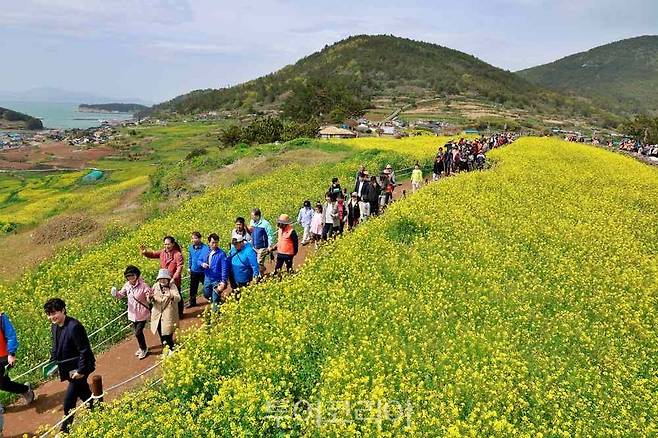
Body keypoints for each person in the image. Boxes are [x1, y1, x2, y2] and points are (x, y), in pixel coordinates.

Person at [44, 298, 96, 433]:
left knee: (69, 401)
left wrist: (81, 371)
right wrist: (52, 363)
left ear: (63, 310)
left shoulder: (74, 326)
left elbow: (84, 350)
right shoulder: (54, 326)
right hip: (68, 368)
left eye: (54, 313)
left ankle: (65, 430)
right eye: (49, 314)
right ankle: (98, 411)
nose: (51, 317)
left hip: (80, 368)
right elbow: (55, 347)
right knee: (84, 393)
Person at [111, 265, 151, 359]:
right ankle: (142, 347)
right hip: (132, 314)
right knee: (137, 333)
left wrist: (149, 297)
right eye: (128, 276)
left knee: (138, 332)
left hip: (142, 313)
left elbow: (148, 294)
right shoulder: (127, 285)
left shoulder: (143, 285)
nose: (130, 278)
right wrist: (115, 294)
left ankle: (144, 349)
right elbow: (121, 294)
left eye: (132, 275)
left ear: (136, 275)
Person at [141, 236, 184, 319]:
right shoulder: (162, 252)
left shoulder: (177, 254)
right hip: (163, 279)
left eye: (168, 244)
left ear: (173, 244)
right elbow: (153, 254)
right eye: (165, 244)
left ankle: (180, 313)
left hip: (174, 280)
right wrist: (145, 252)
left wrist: (173, 279)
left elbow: (179, 268)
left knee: (176, 295)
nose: (166, 246)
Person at [0, 312, 35, 408]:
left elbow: (10, 335)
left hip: (2, 357)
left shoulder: (1, 318)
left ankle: (25, 390)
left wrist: (11, 353)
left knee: (2, 384)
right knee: (3, 383)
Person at [148, 269, 181, 352]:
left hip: (168, 313)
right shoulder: (155, 286)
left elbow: (178, 298)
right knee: (160, 332)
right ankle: (166, 348)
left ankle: (171, 348)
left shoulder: (172, 286)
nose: (162, 280)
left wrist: (171, 296)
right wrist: (149, 297)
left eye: (164, 278)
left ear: (168, 279)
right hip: (157, 313)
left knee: (168, 333)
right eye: (160, 279)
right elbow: (149, 300)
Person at [198, 233, 229, 311]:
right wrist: (202, 264)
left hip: (217, 279)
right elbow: (198, 260)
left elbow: (224, 268)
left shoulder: (221, 254)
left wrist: (223, 281)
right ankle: (219, 302)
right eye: (213, 243)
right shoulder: (205, 251)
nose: (215, 245)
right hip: (207, 277)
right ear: (209, 243)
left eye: (216, 242)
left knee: (215, 299)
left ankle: (215, 317)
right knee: (206, 294)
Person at [249, 208, 275, 275]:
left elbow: (270, 235)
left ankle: (260, 276)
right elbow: (251, 232)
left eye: (253, 216)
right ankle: (261, 271)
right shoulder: (252, 222)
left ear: (257, 216)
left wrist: (270, 246)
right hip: (254, 246)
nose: (252, 217)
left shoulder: (265, 224)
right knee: (254, 261)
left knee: (258, 262)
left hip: (262, 247)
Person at [187, 231, 207, 308]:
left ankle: (213, 298)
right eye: (192, 238)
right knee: (193, 287)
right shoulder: (191, 248)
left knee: (207, 286)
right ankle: (192, 302)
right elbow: (190, 258)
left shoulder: (205, 248)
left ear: (199, 239)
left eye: (195, 238)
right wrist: (189, 267)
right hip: (194, 271)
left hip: (203, 271)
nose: (193, 240)